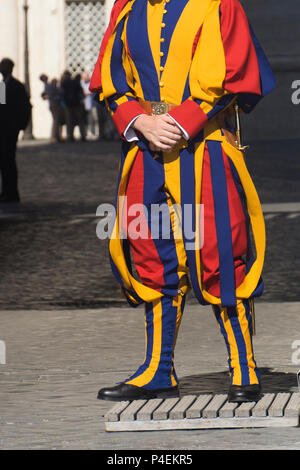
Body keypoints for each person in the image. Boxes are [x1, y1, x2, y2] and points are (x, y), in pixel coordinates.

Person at [91, 0, 276, 403]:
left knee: (221, 253)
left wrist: (177, 123)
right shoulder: (125, 8)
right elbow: (111, 79)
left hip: (205, 148)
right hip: (144, 152)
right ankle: (159, 369)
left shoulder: (219, 4)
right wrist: (140, 121)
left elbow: (236, 75)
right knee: (151, 254)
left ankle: (243, 366)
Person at [0, 58, 31, 203]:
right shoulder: (2, 86)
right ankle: (6, 191)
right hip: (3, 129)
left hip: (10, 130)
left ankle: (12, 193)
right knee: (4, 161)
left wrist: (19, 126)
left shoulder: (17, 86)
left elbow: (25, 107)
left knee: (9, 161)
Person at [61, 71, 86, 142]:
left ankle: (70, 136)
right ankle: (83, 136)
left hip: (68, 105)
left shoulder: (64, 83)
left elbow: (62, 93)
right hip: (76, 104)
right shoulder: (75, 82)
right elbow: (81, 93)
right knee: (80, 120)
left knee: (69, 121)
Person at [40, 75, 64, 142]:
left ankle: (56, 136)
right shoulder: (48, 86)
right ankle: (54, 137)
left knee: (56, 121)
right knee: (56, 121)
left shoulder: (47, 86)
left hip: (53, 104)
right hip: (55, 105)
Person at [81, 72, 97, 139]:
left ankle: (93, 133)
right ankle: (85, 133)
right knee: (85, 120)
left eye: (85, 77)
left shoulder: (92, 82)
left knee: (93, 119)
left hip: (92, 104)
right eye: (83, 78)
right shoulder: (81, 83)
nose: (84, 79)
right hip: (84, 104)